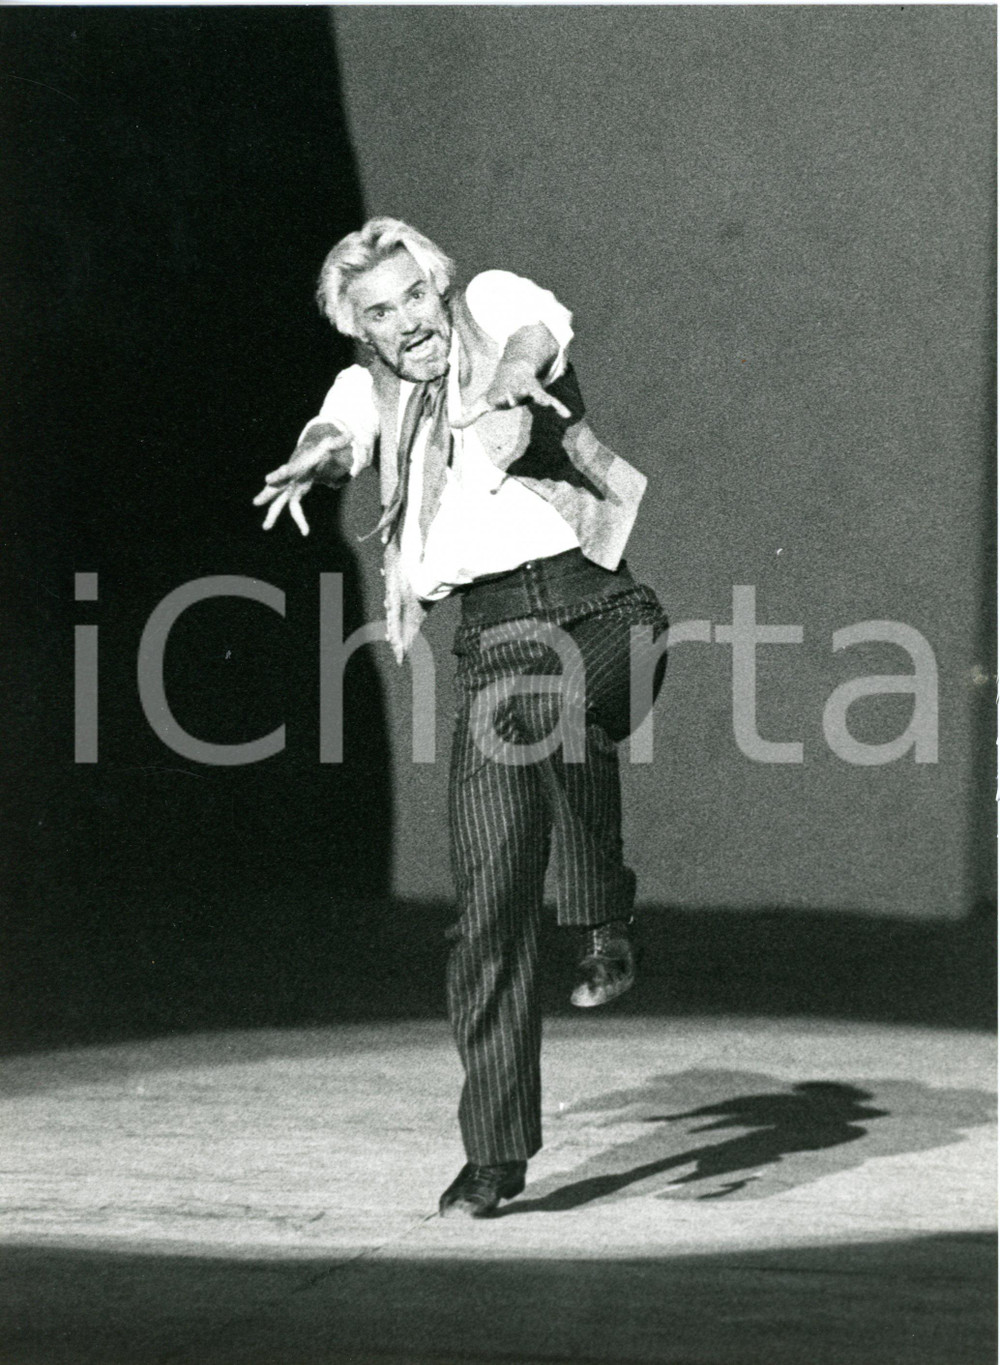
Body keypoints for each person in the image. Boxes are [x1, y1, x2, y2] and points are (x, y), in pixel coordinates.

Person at [254, 218, 668, 1218]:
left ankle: (600, 911)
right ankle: (494, 1153)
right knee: (487, 908)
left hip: (605, 613)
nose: (406, 322)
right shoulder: (371, 391)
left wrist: (516, 376)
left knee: (550, 699)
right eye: (378, 313)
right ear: (360, 329)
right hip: (491, 644)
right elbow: (337, 433)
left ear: (437, 290)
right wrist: (314, 458)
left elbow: (534, 331)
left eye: (413, 297)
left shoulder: (486, 305)